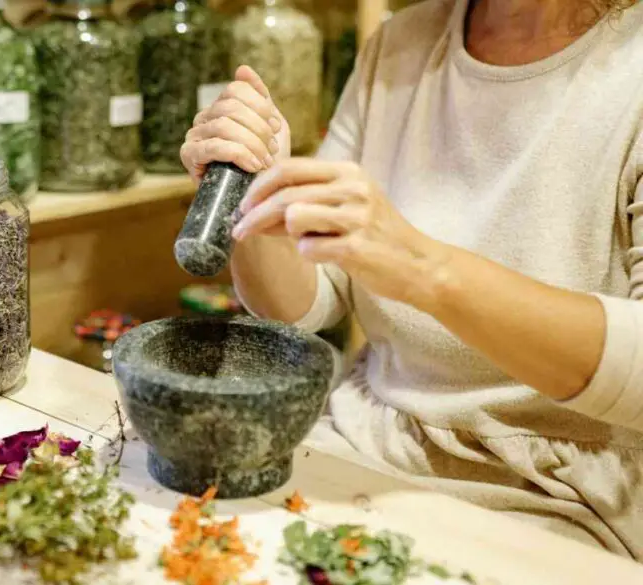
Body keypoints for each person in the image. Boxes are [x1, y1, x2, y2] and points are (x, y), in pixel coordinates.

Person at [179, 0, 643, 559]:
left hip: (556, 497)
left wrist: (422, 267)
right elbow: (311, 298)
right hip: (360, 446)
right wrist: (257, 196)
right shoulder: (401, 43)